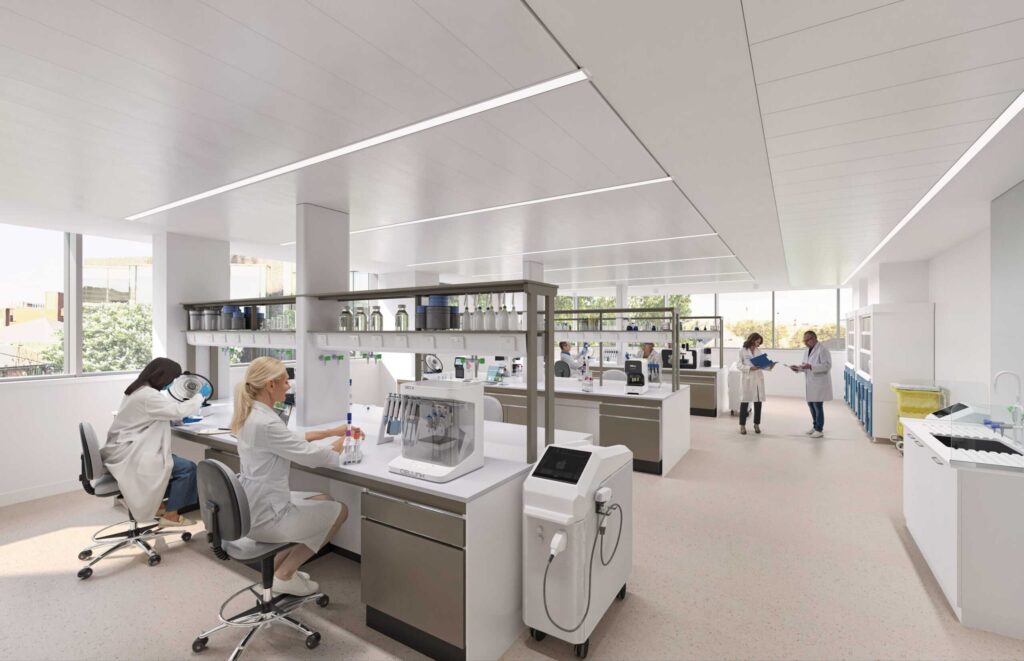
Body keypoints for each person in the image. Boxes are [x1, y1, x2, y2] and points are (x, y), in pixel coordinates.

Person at [232, 357, 356, 597]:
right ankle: (286, 574)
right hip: (266, 516)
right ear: (270, 385)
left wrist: (330, 432)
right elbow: (314, 458)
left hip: (251, 505)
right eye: (285, 381)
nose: (288, 386)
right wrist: (345, 441)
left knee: (323, 498)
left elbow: (289, 439)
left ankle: (277, 570)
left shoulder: (253, 414)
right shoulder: (266, 423)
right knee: (340, 510)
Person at [102, 357, 210, 527]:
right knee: (188, 469)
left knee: (170, 462)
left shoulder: (138, 389)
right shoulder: (148, 396)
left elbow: (154, 415)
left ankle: (159, 505)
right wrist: (198, 397)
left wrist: (176, 417)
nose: (172, 383)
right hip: (131, 453)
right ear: (162, 376)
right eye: (172, 379)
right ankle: (171, 516)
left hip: (124, 447)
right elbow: (176, 411)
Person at [790, 330, 833, 438]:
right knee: (811, 405)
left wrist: (810, 367)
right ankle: (815, 426)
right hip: (811, 383)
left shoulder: (823, 349)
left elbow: (827, 366)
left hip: (819, 382)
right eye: (804, 340)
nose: (805, 342)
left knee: (818, 406)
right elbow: (806, 366)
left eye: (807, 340)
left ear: (813, 338)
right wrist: (797, 368)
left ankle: (819, 429)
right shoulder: (808, 350)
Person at [737, 332, 772, 435]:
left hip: (757, 379)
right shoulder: (742, 351)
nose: (758, 344)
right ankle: (742, 426)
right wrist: (750, 368)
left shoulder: (758, 351)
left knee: (758, 402)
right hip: (747, 378)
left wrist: (769, 366)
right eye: (757, 342)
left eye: (759, 343)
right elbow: (739, 365)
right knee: (745, 402)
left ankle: (756, 424)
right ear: (752, 340)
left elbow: (763, 365)